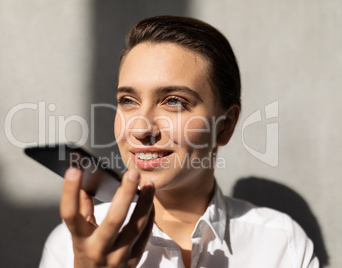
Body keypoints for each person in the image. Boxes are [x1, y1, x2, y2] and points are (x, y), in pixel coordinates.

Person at [39, 16, 319, 268]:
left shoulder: (281, 243)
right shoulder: (71, 245)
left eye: (174, 101)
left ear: (225, 125)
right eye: (128, 101)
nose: (140, 128)